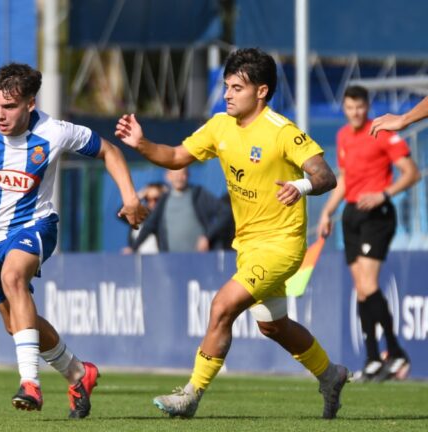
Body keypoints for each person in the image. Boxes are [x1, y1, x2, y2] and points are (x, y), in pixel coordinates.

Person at [115, 48, 348, 419]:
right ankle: (330, 374)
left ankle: (190, 395)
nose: (227, 94)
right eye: (226, 86)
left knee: (222, 306)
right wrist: (142, 145)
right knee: (273, 325)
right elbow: (175, 157)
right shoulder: (219, 126)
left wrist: (301, 187)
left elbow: (325, 176)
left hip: (281, 245)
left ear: (261, 91)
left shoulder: (281, 131)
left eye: (237, 87)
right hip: (248, 245)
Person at [0, 63, 147, 418]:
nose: (0, 114)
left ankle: (30, 383)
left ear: (29, 103)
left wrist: (130, 197)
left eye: (9, 107)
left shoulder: (55, 132)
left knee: (14, 278)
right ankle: (77, 372)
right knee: (16, 323)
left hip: (37, 225)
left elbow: (110, 151)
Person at [317, 85, 419, 381]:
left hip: (377, 215)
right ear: (345, 108)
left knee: (368, 283)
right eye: (349, 108)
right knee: (361, 289)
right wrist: (328, 210)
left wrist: (383, 195)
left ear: (367, 105)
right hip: (351, 215)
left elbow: (412, 172)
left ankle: (397, 352)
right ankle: (374, 357)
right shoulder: (343, 136)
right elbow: (346, 178)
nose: (355, 113)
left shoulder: (384, 131)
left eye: (360, 107)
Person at [131, 167, 232, 253]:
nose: (179, 178)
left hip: (200, 260)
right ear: (168, 176)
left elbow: (225, 212)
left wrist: (207, 237)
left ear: (187, 175)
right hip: (172, 262)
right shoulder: (163, 200)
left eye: (182, 174)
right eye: (175, 174)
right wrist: (133, 248)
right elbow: (149, 225)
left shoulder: (198, 194)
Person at [122, 182, 165, 254]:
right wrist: (138, 197)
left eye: (156, 199)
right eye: (148, 199)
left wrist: (166, 196)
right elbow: (122, 213)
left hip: (158, 258)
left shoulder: (164, 215)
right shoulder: (139, 214)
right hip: (137, 258)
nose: (152, 202)